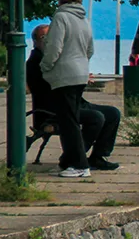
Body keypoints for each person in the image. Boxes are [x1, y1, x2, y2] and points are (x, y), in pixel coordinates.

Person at [28, 24, 121, 172]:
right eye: (46, 37)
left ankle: (98, 156)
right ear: (37, 40)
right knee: (96, 118)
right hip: (55, 109)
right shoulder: (37, 62)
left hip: (74, 103)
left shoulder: (52, 59)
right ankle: (72, 158)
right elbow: (55, 86)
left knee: (113, 113)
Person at [39, 0, 95, 177]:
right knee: (73, 118)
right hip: (80, 73)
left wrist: (45, 67)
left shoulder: (61, 17)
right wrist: (81, 64)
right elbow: (90, 50)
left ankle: (79, 164)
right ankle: (72, 161)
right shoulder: (84, 20)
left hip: (64, 75)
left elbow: (54, 47)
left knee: (68, 122)